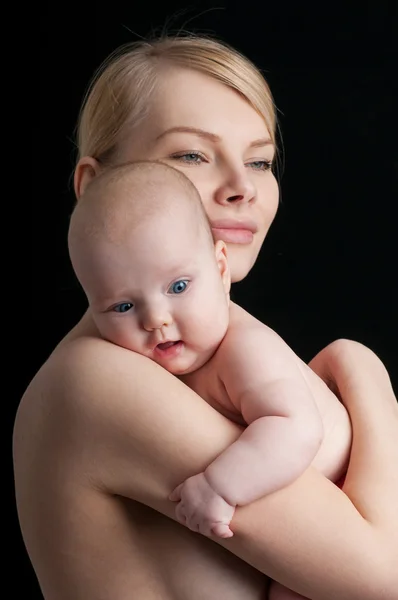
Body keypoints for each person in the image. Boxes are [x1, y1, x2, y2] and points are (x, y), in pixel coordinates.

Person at [14, 34, 398, 600]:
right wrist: (367, 379)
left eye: (260, 160)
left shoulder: (200, 356)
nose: (243, 187)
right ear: (94, 185)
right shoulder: (100, 380)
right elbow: (384, 579)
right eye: (191, 154)